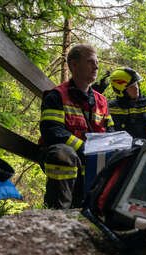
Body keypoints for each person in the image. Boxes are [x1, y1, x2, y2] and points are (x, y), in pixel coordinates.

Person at [39, 44, 114, 209]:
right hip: (68, 158)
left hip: (95, 160)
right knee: (63, 153)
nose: (96, 66)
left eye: (97, 62)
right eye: (90, 62)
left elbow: (110, 131)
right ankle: (57, 213)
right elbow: (52, 132)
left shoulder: (101, 101)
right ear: (73, 65)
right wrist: (86, 148)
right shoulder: (56, 96)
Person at [107, 68, 146, 141]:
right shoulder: (111, 109)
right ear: (120, 91)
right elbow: (107, 137)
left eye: (136, 84)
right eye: (131, 86)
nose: (136, 88)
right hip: (122, 151)